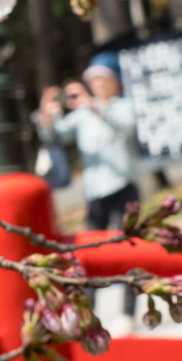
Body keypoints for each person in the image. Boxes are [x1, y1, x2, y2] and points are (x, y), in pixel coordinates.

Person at [35, 53, 140, 323]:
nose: (99, 85)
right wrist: (47, 114)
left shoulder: (122, 106)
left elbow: (126, 126)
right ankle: (85, 313)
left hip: (123, 188)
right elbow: (55, 137)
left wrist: (92, 105)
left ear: (115, 82)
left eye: (103, 79)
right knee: (87, 255)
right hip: (94, 193)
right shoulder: (82, 114)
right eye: (94, 80)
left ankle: (127, 312)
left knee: (126, 251)